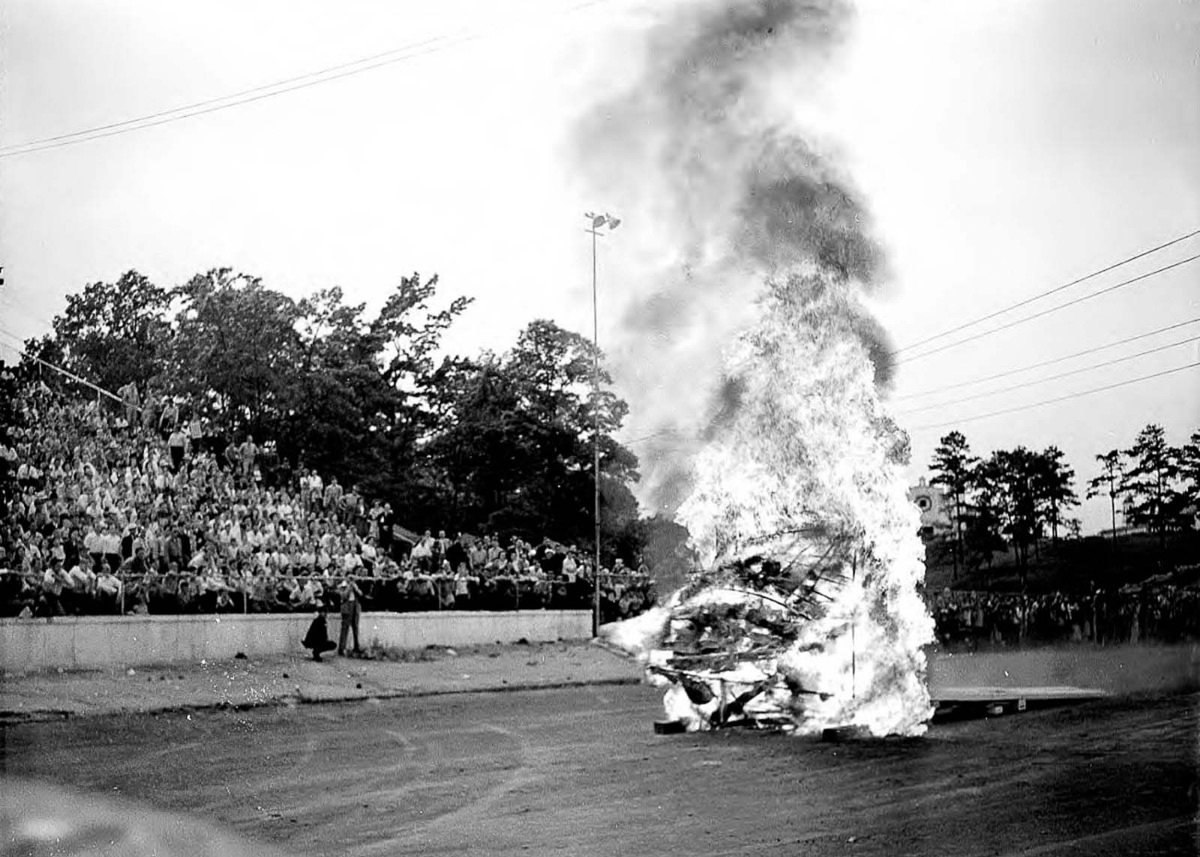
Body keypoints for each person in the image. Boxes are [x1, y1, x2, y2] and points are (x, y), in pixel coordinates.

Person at [337, 576, 364, 657]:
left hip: (355, 607)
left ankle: (356, 646)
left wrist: (356, 588)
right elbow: (343, 596)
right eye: (350, 579)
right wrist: (349, 588)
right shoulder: (342, 586)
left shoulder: (355, 586)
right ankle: (342, 648)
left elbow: (361, 594)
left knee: (355, 627)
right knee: (345, 628)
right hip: (347, 607)